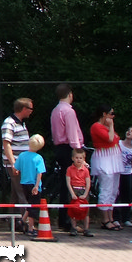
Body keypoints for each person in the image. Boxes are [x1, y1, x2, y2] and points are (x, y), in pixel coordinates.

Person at [51, 84, 82, 231]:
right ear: (70, 94)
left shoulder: (55, 110)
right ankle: (69, 220)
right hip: (69, 148)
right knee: (72, 183)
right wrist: (78, 151)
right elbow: (72, 133)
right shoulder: (68, 111)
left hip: (59, 148)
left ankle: (63, 218)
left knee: (65, 184)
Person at [89, 104, 125, 230]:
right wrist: (111, 126)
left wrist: (110, 127)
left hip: (113, 158)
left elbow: (115, 139)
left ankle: (111, 217)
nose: (113, 117)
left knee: (114, 189)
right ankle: (105, 219)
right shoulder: (96, 126)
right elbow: (110, 139)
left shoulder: (106, 127)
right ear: (104, 114)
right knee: (106, 187)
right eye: (111, 114)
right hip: (104, 158)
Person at [1, 98, 34, 231]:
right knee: (23, 192)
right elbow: (6, 144)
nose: (32, 111)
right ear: (24, 109)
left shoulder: (21, 123)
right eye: (30, 109)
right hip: (15, 164)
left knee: (15, 193)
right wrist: (14, 163)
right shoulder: (9, 123)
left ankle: (14, 222)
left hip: (22, 164)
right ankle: (26, 223)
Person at [15, 135, 46, 236]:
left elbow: (16, 168)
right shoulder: (38, 158)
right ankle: (30, 228)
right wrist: (37, 186)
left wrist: (18, 171)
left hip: (24, 183)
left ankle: (22, 221)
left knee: (30, 204)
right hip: (34, 184)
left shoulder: (22, 156)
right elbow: (39, 173)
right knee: (33, 206)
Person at [66, 147, 93, 237]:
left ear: (84, 159)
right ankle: (74, 228)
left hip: (83, 190)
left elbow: (88, 183)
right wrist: (72, 193)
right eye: (76, 158)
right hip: (73, 189)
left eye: (81, 158)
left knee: (86, 211)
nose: (78, 160)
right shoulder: (69, 169)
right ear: (73, 158)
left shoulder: (85, 170)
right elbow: (68, 182)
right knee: (73, 210)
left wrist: (85, 194)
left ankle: (86, 229)